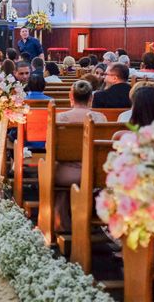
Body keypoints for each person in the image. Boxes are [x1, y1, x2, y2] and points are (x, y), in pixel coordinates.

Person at [53, 80, 107, 231]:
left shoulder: (60, 117)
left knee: (50, 167)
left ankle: (62, 220)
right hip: (94, 173)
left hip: (66, 173)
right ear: (91, 98)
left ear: (71, 97)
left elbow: (49, 148)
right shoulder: (100, 118)